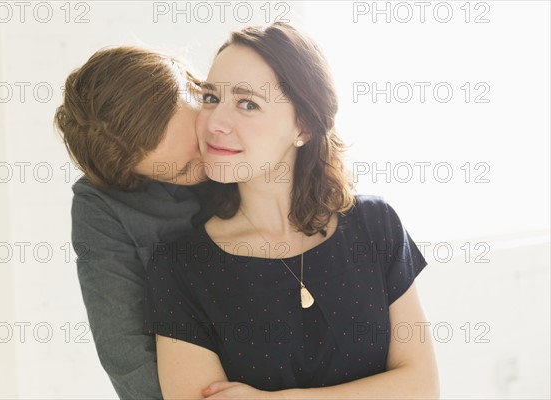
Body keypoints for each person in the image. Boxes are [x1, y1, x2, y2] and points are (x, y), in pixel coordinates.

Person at [145, 22, 439, 399]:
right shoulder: (180, 266)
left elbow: (422, 387)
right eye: (211, 97)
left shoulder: (375, 226)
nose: (215, 122)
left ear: (303, 125)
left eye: (247, 103)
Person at [54, 46, 213, 399]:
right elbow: (125, 351)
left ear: (192, 83)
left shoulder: (258, 123)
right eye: (183, 171)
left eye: (201, 139)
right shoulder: (102, 204)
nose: (212, 160)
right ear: (135, 180)